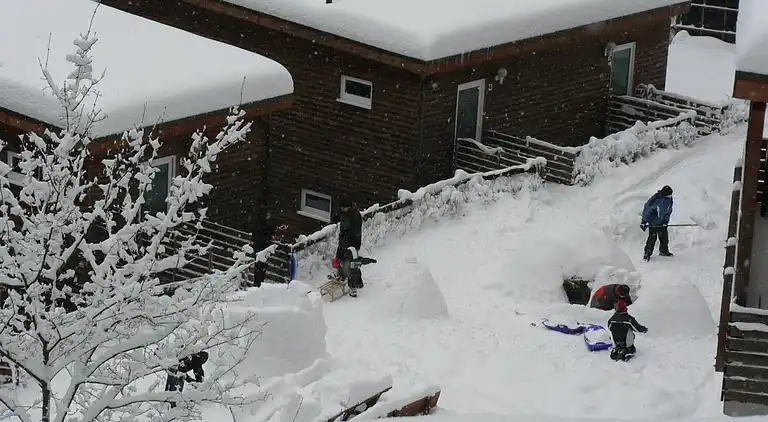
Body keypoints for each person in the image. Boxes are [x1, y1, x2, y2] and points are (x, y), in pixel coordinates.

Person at [641, 185, 674, 261]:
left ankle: (663, 251)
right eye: (669, 195)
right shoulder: (656, 199)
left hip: (662, 221)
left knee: (664, 237)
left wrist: (665, 221)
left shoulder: (669, 200)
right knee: (652, 237)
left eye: (671, 195)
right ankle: (647, 254)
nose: (670, 196)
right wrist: (644, 221)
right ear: (664, 194)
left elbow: (668, 211)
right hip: (653, 221)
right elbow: (647, 209)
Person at [334, 199, 363, 279]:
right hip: (344, 239)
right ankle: (341, 276)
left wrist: (354, 245)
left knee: (350, 262)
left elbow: (356, 231)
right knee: (340, 259)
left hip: (352, 241)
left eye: (344, 208)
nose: (342, 209)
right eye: (341, 208)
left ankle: (355, 280)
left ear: (349, 207)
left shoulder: (355, 215)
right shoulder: (345, 213)